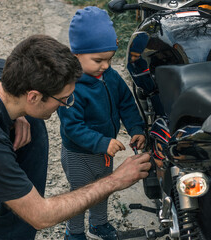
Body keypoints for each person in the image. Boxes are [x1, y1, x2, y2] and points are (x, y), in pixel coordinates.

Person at [0, 34, 152, 240]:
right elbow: (41, 216)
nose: (68, 104)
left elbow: (15, 99)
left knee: (32, 123)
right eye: (64, 99)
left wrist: (19, 115)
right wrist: (116, 180)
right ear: (34, 96)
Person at [57, 7, 146, 240]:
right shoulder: (70, 88)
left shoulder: (110, 77)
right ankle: (74, 232)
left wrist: (136, 128)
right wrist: (101, 142)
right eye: (98, 60)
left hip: (104, 150)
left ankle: (99, 224)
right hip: (79, 153)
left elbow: (126, 103)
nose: (105, 65)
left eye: (110, 59)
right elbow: (72, 127)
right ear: (76, 55)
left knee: (103, 189)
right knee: (80, 195)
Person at [127, 33, 165, 117]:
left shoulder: (148, 60)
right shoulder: (135, 62)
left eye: (136, 56)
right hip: (149, 92)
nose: (132, 58)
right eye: (132, 55)